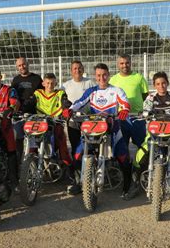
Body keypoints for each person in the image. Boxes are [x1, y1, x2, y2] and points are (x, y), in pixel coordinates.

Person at [63, 63, 131, 198]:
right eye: (99, 75)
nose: (102, 78)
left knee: (122, 155)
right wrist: (70, 110)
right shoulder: (91, 91)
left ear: (109, 75)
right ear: (95, 76)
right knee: (77, 154)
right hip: (94, 126)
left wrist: (124, 110)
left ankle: (128, 185)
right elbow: (80, 102)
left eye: (104, 75)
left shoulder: (117, 90)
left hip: (112, 126)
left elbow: (124, 102)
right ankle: (79, 181)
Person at [131, 72, 170, 198]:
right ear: (154, 85)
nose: (161, 86)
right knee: (139, 156)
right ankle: (134, 186)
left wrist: (158, 113)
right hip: (154, 133)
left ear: (167, 83)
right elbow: (146, 111)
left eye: (163, 83)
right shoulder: (150, 98)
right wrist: (146, 113)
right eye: (158, 84)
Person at [109, 53, 149, 197]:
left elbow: (145, 95)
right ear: (117, 64)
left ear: (130, 63)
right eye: (121, 63)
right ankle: (125, 179)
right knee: (122, 149)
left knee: (142, 148)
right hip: (121, 119)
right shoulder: (113, 79)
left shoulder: (139, 78)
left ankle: (140, 176)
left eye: (127, 63)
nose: (124, 65)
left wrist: (136, 108)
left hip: (137, 118)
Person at [30, 73, 73, 190]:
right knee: (31, 149)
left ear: (56, 83)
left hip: (55, 123)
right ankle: (27, 174)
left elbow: (65, 102)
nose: (50, 85)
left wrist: (65, 109)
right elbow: (30, 103)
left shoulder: (60, 93)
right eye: (47, 83)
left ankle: (73, 177)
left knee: (63, 150)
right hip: (39, 123)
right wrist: (24, 109)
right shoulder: (37, 93)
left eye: (52, 83)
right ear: (43, 83)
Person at [61, 60, 96, 194]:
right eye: (74, 68)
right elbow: (62, 102)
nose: (77, 70)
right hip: (73, 121)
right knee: (76, 148)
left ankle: (90, 175)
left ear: (83, 69)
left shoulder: (90, 83)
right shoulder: (65, 86)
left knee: (90, 147)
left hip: (88, 121)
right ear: (71, 71)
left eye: (79, 68)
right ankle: (77, 178)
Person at [11, 57, 43, 162]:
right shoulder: (15, 80)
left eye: (23, 64)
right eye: (19, 66)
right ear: (17, 67)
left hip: (34, 114)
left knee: (34, 139)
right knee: (18, 137)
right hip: (20, 114)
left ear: (28, 64)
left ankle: (34, 161)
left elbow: (42, 95)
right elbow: (13, 96)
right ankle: (20, 160)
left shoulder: (37, 78)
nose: (22, 67)